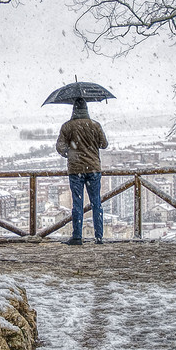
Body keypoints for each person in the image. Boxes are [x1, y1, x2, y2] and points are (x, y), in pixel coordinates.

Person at [56, 100, 108, 244]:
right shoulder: (95, 125)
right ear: (86, 109)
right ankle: (99, 237)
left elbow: (60, 147)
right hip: (93, 168)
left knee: (77, 204)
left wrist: (70, 153)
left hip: (76, 170)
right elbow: (104, 144)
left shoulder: (67, 126)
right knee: (96, 202)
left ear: (73, 109)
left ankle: (77, 236)